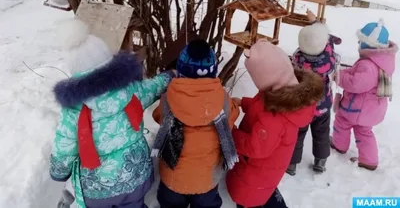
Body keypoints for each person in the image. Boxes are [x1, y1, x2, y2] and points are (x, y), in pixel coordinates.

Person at [49, 18, 175, 208]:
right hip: (136, 176)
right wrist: (169, 76)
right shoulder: (130, 92)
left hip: (97, 190)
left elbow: (64, 147)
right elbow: (151, 88)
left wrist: (58, 172)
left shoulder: (74, 110)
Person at [226, 39, 324, 208]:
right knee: (265, 193)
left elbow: (255, 147)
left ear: (266, 77)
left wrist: (231, 134)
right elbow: (261, 105)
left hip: (255, 174)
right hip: (267, 170)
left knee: (251, 200)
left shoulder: (275, 116)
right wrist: (244, 102)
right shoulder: (283, 94)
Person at [152, 39, 240, 208]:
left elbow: (158, 116)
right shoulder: (223, 100)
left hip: (173, 177)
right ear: (213, 70)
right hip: (206, 180)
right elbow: (232, 117)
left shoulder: (170, 97)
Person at [331, 19, 397, 171]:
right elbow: (355, 73)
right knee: (364, 132)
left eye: (361, 41)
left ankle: (339, 145)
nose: (358, 44)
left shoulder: (368, 65)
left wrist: (339, 77)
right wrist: (343, 72)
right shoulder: (381, 61)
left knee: (342, 122)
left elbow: (356, 83)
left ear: (368, 44)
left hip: (356, 108)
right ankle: (369, 160)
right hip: (372, 109)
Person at [286, 10, 341, 175]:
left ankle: (292, 164)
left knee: (298, 135)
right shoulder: (328, 59)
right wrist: (316, 22)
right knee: (322, 134)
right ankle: (320, 161)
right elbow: (328, 41)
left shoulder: (298, 60)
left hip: (302, 105)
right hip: (322, 105)